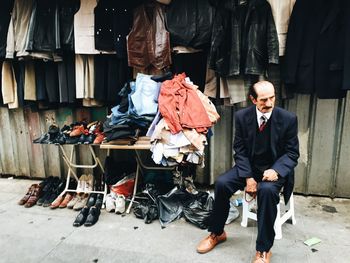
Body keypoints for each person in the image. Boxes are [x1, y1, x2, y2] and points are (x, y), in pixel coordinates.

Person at [196, 81, 299, 263]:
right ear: (253, 99)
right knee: (222, 183)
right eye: (264, 99)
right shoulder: (242, 117)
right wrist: (249, 177)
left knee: (266, 191)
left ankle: (263, 250)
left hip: (274, 170)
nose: (269, 103)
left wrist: (276, 170)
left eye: (272, 98)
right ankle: (217, 233)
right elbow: (240, 149)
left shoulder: (288, 119)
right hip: (249, 168)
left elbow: (292, 153)